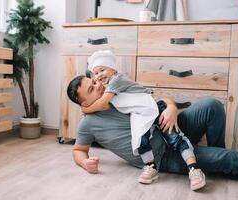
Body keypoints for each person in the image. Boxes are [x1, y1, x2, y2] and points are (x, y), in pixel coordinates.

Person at [67, 75, 238, 186]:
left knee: (212, 105)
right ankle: (222, 163)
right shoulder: (89, 124)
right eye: (92, 89)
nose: (98, 86)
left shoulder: (116, 91)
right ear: (83, 103)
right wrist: (85, 162)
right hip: (163, 155)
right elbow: (78, 150)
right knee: (232, 159)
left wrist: (172, 108)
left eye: (94, 82)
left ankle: (216, 165)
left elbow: (154, 99)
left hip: (170, 127)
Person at [78, 50, 205, 189]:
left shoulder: (116, 81)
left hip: (151, 107)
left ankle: (194, 169)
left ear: (113, 69)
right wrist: (85, 162)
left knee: (174, 137)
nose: (99, 76)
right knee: (140, 140)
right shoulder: (108, 91)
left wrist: (86, 109)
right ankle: (151, 166)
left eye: (102, 70)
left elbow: (102, 103)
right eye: (96, 74)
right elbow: (78, 149)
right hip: (140, 114)